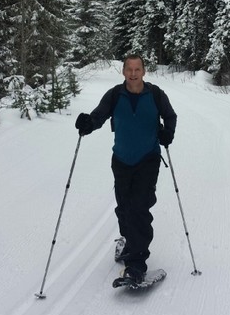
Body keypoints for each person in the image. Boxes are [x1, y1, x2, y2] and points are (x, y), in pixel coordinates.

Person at [75, 54, 177, 285]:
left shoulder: (156, 95)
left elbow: (170, 117)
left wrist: (167, 133)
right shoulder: (114, 95)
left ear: (144, 71)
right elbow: (98, 116)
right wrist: (87, 124)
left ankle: (136, 265)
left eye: (137, 69)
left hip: (148, 159)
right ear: (123, 72)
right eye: (129, 69)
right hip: (121, 160)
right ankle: (130, 243)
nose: (133, 73)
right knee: (124, 207)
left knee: (139, 208)